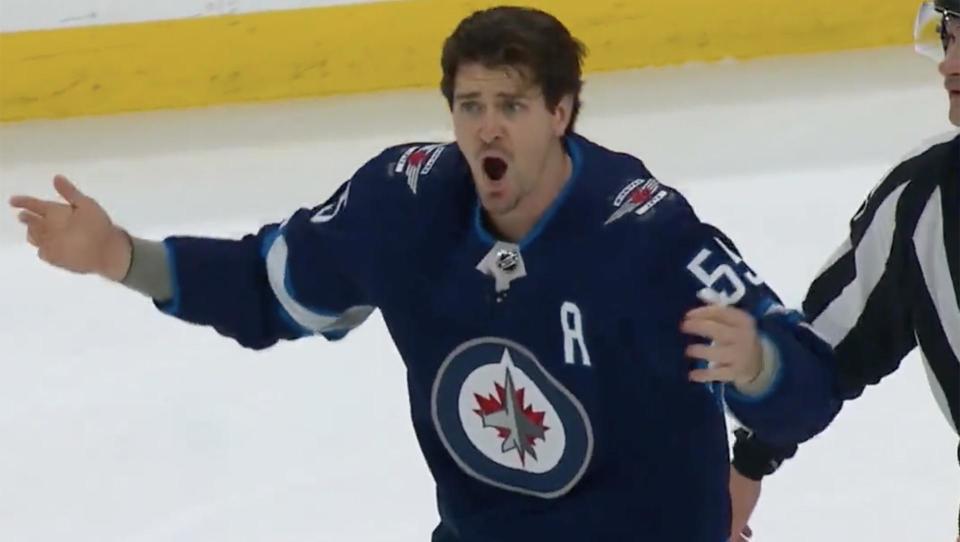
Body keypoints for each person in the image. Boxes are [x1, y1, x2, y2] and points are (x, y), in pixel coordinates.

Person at [9, 7, 841, 541]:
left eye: (512, 106)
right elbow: (270, 290)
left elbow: (811, 386)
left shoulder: (648, 230)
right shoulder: (401, 203)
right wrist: (122, 257)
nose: (488, 128)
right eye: (470, 105)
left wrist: (762, 365)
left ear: (561, 112)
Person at [727, 1, 960, 540]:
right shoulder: (924, 198)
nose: (948, 65)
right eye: (949, 38)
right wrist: (748, 465)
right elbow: (831, 349)